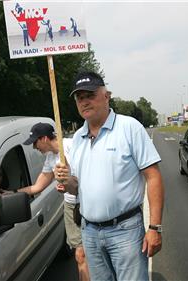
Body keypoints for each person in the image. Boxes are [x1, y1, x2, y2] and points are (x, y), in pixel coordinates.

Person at [54, 71, 164, 281]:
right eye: (79, 97)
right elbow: (77, 187)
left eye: (90, 95)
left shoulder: (129, 128)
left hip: (126, 230)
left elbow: (153, 177)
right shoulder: (77, 138)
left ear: (106, 95)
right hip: (90, 232)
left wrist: (155, 227)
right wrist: (65, 181)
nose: (84, 101)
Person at [17, 122, 90, 281]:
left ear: (44, 138)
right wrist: (13, 193)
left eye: (35, 143)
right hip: (71, 207)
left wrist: (69, 180)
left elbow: (91, 174)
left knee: (98, 253)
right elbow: (37, 187)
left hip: (88, 203)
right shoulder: (51, 159)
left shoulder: (73, 146)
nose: (35, 148)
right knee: (80, 254)